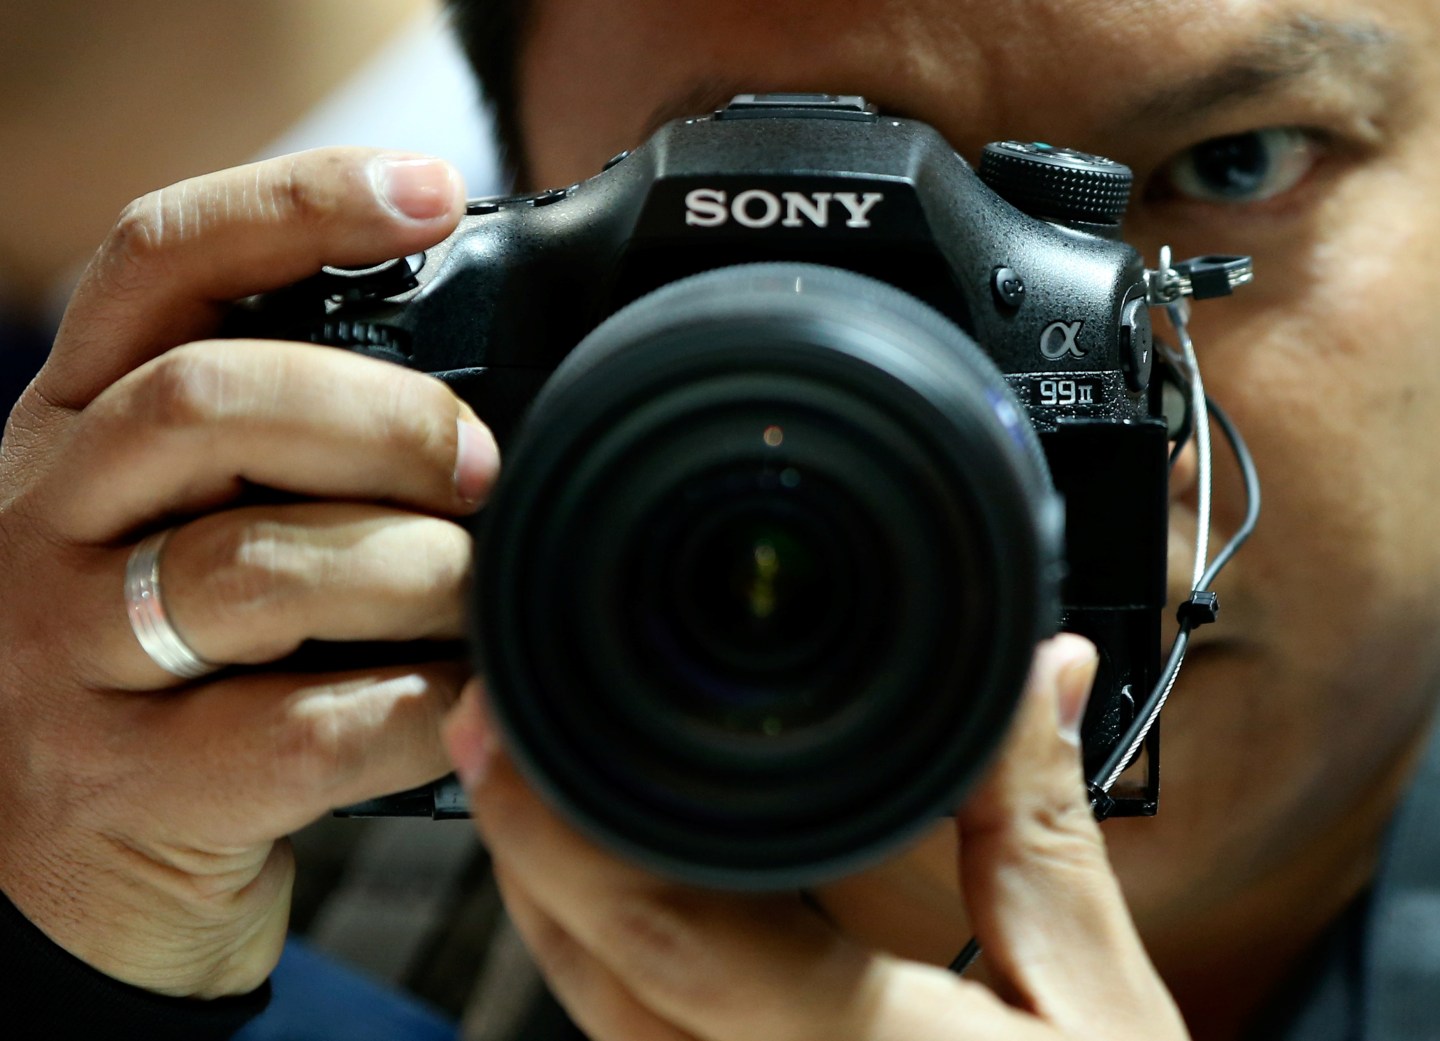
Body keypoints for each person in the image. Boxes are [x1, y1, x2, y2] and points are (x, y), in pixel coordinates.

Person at [2, 2, 1439, 1040]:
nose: (951, 441)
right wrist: (70, 967)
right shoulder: (235, 866)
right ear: (522, 287)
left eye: (1239, 162)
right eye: (770, 252)